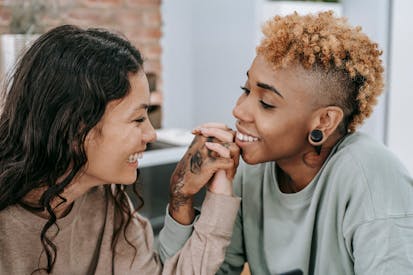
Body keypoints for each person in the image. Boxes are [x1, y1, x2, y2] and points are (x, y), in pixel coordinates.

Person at [158, 11, 413, 274]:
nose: (239, 111)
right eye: (246, 90)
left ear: (324, 121)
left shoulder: (372, 178)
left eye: (267, 103)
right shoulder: (250, 171)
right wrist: (182, 198)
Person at [0, 25, 241, 274]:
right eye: (137, 119)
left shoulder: (108, 201)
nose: (151, 134)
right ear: (74, 128)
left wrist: (214, 196)